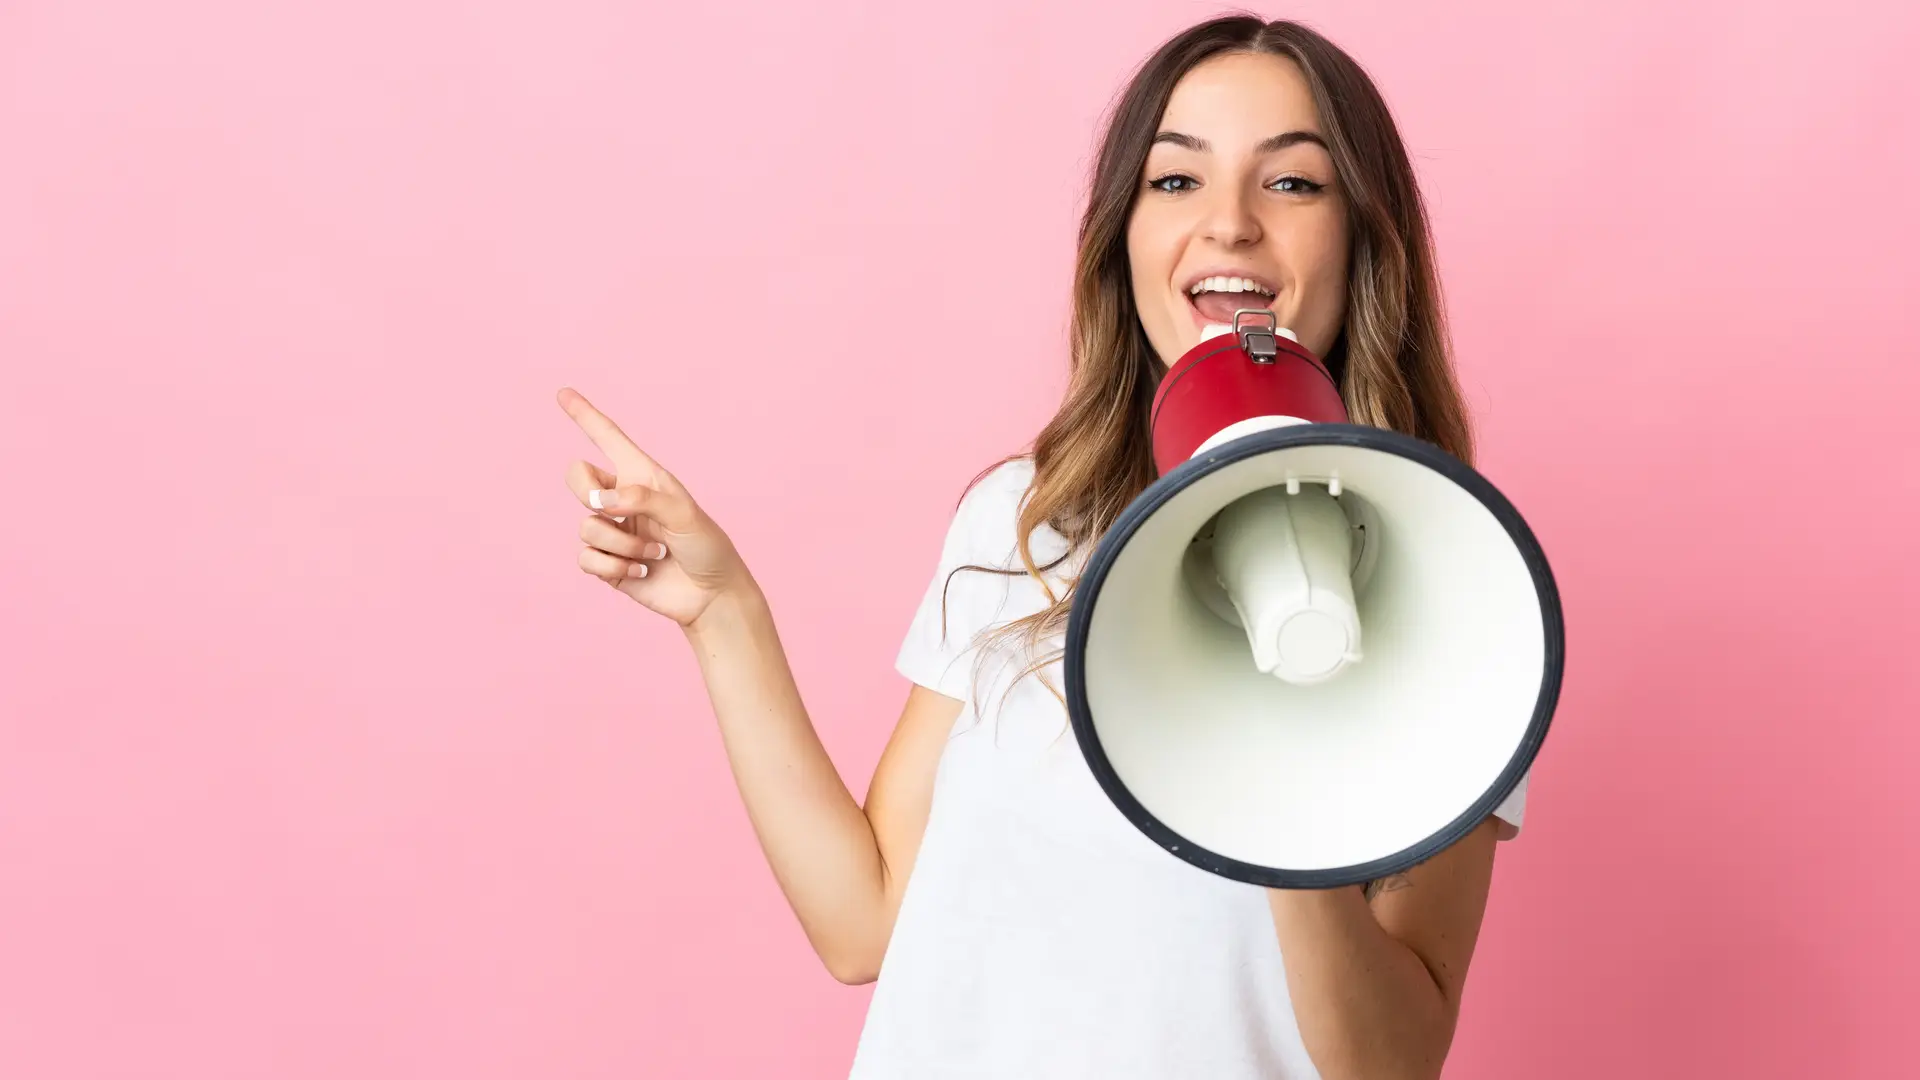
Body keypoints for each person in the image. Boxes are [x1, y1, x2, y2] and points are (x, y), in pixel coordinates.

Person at [556, 14, 1528, 1080]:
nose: (1230, 226)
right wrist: (723, 614)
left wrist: (1273, 769)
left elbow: (1388, 1065)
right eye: (1175, 181)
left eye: (1293, 183)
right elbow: (865, 922)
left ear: (1362, 236)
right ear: (1124, 234)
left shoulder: (1459, 584)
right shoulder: (1028, 516)